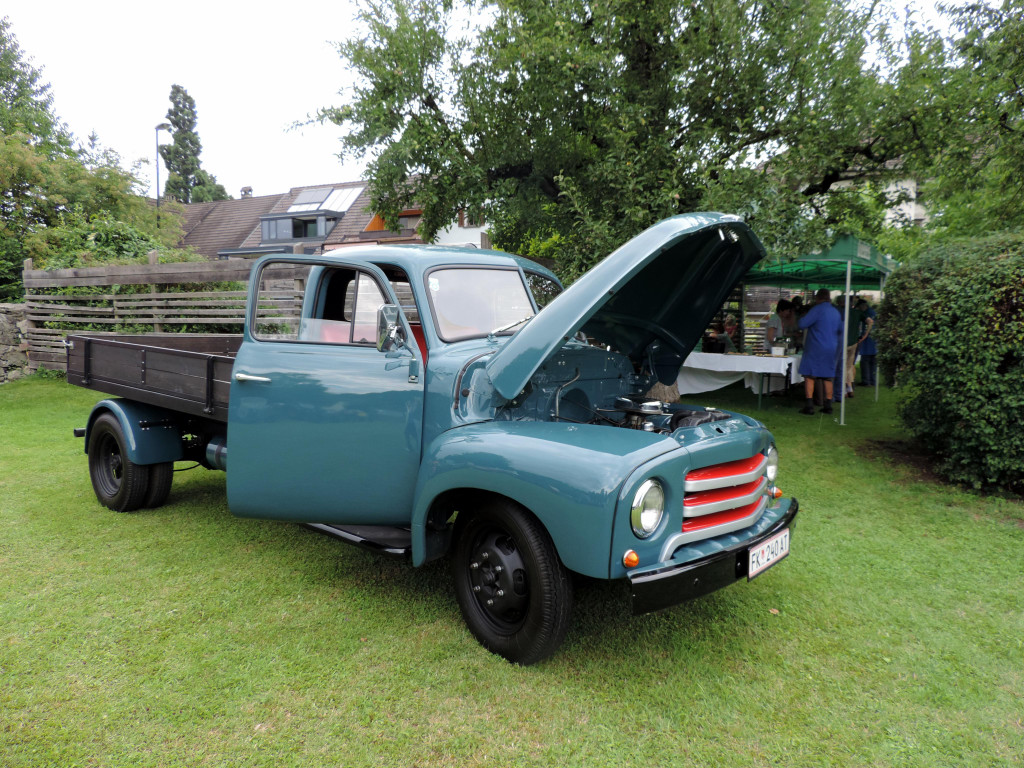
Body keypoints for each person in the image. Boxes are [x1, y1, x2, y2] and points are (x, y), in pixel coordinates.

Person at [797, 288, 842, 414]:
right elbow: (840, 329)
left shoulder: (817, 309)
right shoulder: (835, 312)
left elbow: (802, 324)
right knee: (828, 376)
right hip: (831, 346)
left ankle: (809, 405)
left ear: (818, 298)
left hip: (815, 346)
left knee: (809, 375)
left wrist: (803, 316)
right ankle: (828, 405)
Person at [856, 298, 878, 386]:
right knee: (873, 362)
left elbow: (867, 327)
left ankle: (866, 381)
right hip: (874, 342)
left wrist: (863, 336)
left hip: (867, 341)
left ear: (863, 306)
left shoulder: (866, 314)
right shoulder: (873, 312)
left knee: (865, 361)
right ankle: (873, 380)